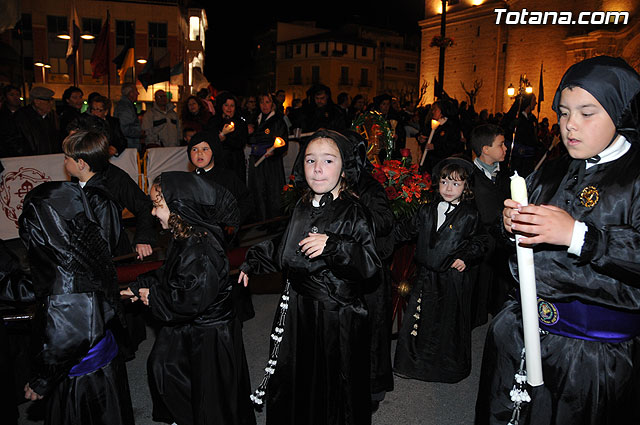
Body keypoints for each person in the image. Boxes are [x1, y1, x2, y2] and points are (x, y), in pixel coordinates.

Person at [475, 56, 640, 425]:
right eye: (564, 113)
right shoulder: (552, 169)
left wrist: (579, 236)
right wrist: (511, 225)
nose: (569, 126)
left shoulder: (634, 177)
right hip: (521, 331)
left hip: (592, 354)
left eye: (586, 113)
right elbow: (521, 246)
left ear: (620, 114)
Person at [239, 129, 381, 425]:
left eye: (328, 161)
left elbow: (369, 264)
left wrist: (333, 246)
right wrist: (252, 260)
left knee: (334, 382)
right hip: (300, 311)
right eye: (310, 160)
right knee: (298, 376)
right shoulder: (303, 205)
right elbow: (284, 245)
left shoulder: (354, 211)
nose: (317, 168)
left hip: (335, 314)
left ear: (345, 168)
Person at [121, 171, 255, 425]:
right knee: (163, 367)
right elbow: (170, 273)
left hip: (210, 335)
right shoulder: (184, 237)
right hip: (194, 326)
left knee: (210, 398)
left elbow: (189, 299)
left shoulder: (200, 249)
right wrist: (140, 285)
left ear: (178, 208)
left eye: (157, 205)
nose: (152, 212)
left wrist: (152, 296)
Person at [19, 181, 134, 425]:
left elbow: (68, 337)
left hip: (85, 378)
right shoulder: (84, 248)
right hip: (104, 362)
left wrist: (42, 379)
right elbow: (39, 284)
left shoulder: (67, 279)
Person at [393, 157, 487, 383]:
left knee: (447, 323)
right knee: (419, 319)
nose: (448, 188)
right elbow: (405, 230)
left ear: (466, 188)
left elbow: (481, 241)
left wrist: (466, 256)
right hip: (425, 277)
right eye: (445, 181)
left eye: (456, 183)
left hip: (451, 279)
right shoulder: (426, 210)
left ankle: (445, 368)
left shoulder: (469, 215)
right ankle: (413, 365)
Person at [469, 124, 511, 325]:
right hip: (480, 244)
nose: (505, 149)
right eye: (501, 144)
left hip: (502, 244)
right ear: (485, 149)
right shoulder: (470, 177)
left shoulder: (507, 175)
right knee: (479, 286)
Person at [188, 131, 252, 225]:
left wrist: (233, 221)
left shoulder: (227, 177)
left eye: (205, 149)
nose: (199, 153)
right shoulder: (188, 179)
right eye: (194, 149)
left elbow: (246, 200)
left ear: (214, 151)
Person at [247, 92, 288, 222]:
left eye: (267, 102)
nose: (264, 105)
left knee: (272, 191)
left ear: (273, 104)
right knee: (258, 190)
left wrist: (274, 151)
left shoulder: (278, 121)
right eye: (262, 102)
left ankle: (273, 221)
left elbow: (283, 142)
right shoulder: (255, 119)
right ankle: (260, 219)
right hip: (257, 160)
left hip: (271, 162)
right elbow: (250, 139)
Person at [5, 86, 60, 157]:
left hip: (49, 160)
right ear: (37, 102)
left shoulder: (51, 117)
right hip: (30, 161)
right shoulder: (21, 117)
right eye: (48, 100)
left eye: (52, 100)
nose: (51, 103)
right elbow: (13, 142)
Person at [206, 91, 249, 183]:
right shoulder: (214, 121)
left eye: (232, 105)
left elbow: (242, 142)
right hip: (220, 161)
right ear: (221, 106)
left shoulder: (240, 122)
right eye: (226, 105)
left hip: (236, 162)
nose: (229, 108)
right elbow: (209, 138)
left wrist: (226, 140)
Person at [114, 83, 144, 149]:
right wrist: (140, 133)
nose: (138, 93)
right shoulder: (125, 107)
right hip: (129, 145)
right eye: (136, 91)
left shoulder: (126, 106)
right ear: (131, 93)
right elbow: (124, 129)